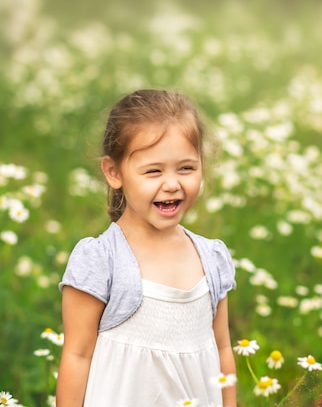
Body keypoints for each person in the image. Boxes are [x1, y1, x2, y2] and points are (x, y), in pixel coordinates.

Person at [56, 89, 237, 407]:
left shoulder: (212, 258)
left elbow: (222, 347)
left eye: (186, 168)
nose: (172, 183)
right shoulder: (102, 260)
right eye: (154, 171)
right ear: (113, 172)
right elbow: (77, 355)